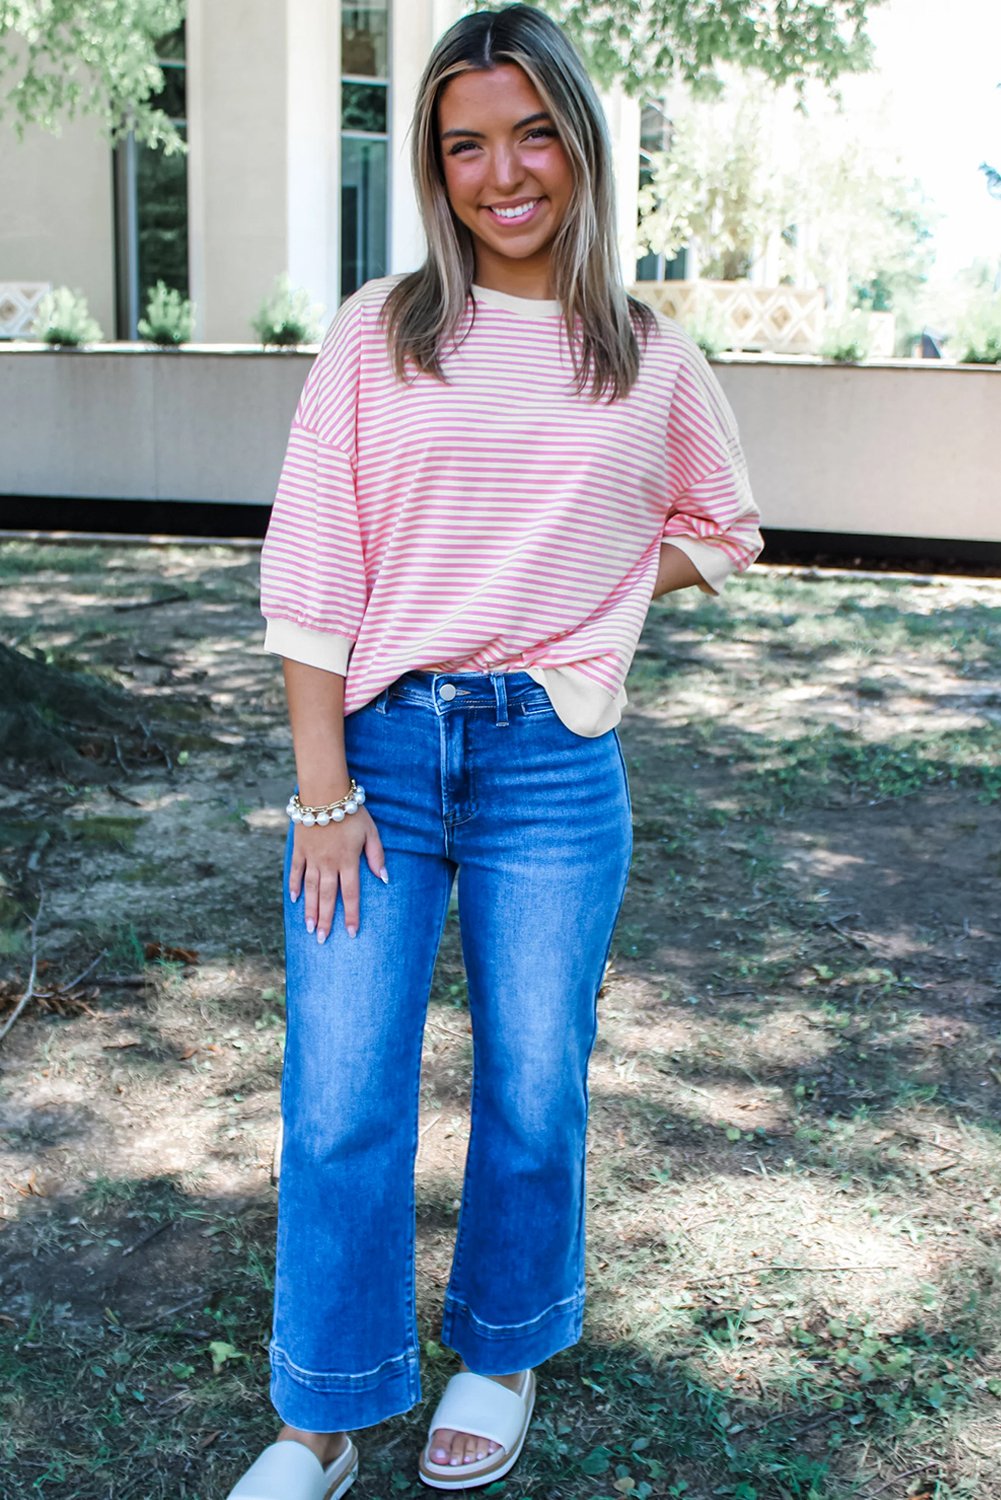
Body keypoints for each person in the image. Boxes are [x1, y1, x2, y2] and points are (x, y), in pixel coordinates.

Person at [227, 6, 761, 1497]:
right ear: (433, 165)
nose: (501, 171)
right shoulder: (377, 331)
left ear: (579, 145)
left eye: (531, 132)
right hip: (378, 762)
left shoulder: (644, 354)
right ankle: (322, 1419)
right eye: (465, 143)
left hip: (550, 766)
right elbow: (312, 568)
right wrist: (320, 784)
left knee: (536, 1084)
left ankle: (502, 1346)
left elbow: (720, 529)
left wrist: (582, 599)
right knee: (340, 1091)